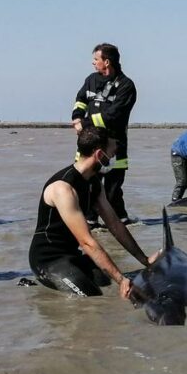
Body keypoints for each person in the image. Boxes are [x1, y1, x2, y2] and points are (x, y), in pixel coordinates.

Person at [29, 125, 155, 299]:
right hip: (48, 260)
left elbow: (115, 225)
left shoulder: (93, 183)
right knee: (92, 297)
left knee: (105, 283)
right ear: (99, 155)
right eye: (111, 154)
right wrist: (121, 279)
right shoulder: (63, 188)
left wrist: (145, 260)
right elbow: (87, 242)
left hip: (72, 255)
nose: (113, 158)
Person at [71, 43, 137, 226]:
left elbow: (114, 115)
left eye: (96, 59)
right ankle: (90, 222)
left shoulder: (126, 86)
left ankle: (120, 222)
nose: (93, 63)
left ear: (106, 62)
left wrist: (83, 123)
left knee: (112, 190)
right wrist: (76, 117)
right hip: (89, 144)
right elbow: (80, 100)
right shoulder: (91, 79)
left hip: (115, 146)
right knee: (88, 186)